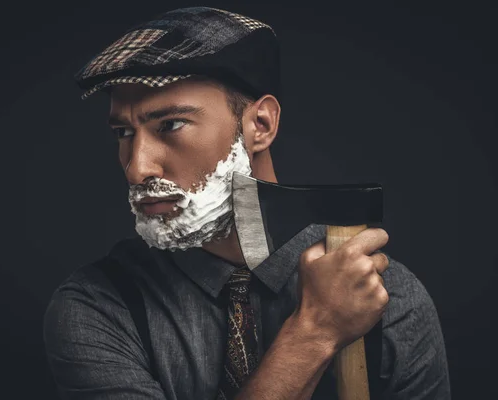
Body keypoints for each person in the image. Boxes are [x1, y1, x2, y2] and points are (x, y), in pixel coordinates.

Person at [43, 7, 450, 400]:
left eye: (170, 125)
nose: (137, 168)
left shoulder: (385, 297)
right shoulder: (97, 307)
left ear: (261, 125)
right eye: (123, 132)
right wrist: (316, 331)